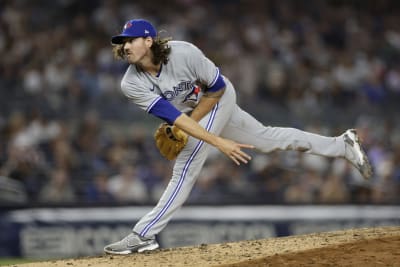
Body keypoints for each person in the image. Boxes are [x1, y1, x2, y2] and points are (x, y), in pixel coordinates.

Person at [104, 19, 372, 254]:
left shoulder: (184, 53)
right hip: (191, 114)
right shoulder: (131, 83)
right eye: (122, 42)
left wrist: (217, 141)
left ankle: (143, 235)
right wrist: (195, 130)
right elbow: (175, 118)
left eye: (131, 40)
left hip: (218, 98)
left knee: (185, 167)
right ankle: (341, 145)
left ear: (148, 41)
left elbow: (217, 89)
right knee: (266, 140)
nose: (125, 46)